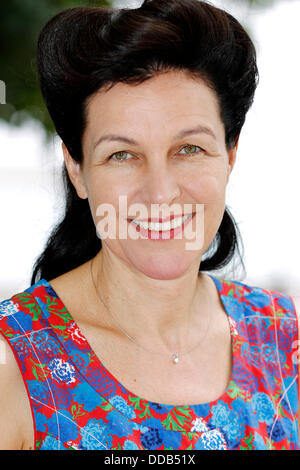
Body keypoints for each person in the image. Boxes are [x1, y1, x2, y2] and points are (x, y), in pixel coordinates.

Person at [0, 0, 299, 451]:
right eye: (122, 155)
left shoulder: (285, 339)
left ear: (230, 155)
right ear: (77, 169)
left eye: (189, 149)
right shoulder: (14, 365)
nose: (160, 193)